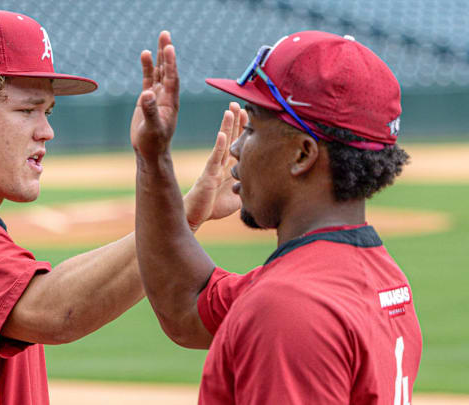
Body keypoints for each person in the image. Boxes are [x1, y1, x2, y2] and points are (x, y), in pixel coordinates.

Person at [0, 10, 231, 405]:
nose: (46, 131)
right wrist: (180, 215)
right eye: (26, 110)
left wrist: (183, 217)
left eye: (47, 111)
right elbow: (59, 311)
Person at [131, 31, 422, 404]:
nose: (236, 147)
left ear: (303, 154)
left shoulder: (290, 307)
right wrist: (153, 159)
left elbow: (279, 309)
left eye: (252, 127)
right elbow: (187, 305)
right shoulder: (380, 276)